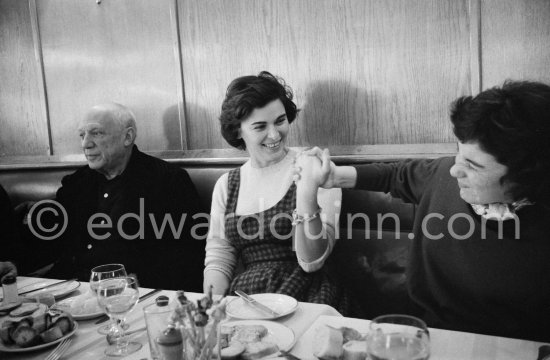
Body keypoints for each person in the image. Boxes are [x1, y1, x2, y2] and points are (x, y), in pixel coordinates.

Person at [296, 80, 550, 341]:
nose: (455, 170)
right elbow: (395, 175)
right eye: (457, 153)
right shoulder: (441, 175)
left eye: (473, 165)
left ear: (524, 176)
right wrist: (332, 176)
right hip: (431, 340)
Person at [203, 71, 349, 313]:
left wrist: (306, 190)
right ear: (238, 130)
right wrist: (210, 309)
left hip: (309, 297)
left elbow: (312, 261)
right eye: (260, 126)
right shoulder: (226, 184)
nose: (274, 135)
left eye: (280, 121)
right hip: (248, 300)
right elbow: (220, 258)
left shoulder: (316, 167)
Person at [35, 103, 205, 291]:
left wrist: (140, 281)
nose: (85, 144)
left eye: (97, 133)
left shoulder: (168, 181)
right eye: (82, 135)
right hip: (73, 289)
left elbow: (188, 254)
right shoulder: (76, 183)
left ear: (128, 137)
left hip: (139, 293)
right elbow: (50, 240)